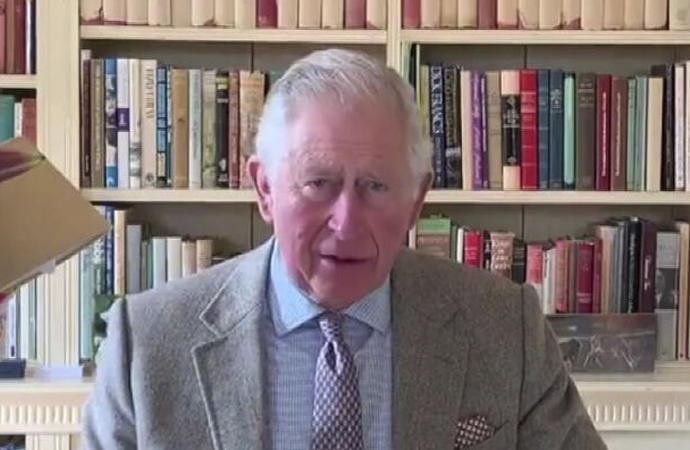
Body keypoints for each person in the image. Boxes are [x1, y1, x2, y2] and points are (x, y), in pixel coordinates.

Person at [81, 49, 607, 450]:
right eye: (319, 184)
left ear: (416, 200)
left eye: (375, 186)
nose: (347, 221)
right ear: (265, 189)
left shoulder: (505, 328)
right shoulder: (147, 344)